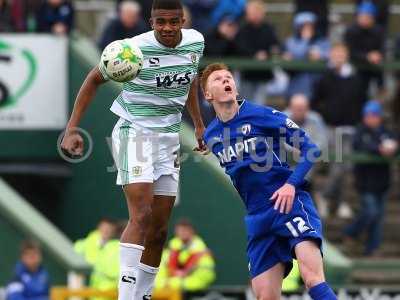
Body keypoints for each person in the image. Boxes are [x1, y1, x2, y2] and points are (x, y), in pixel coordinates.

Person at [60, 1, 206, 300]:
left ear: (183, 20)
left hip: (169, 139)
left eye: (173, 21)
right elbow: (93, 79)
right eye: (160, 21)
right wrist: (71, 128)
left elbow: (190, 78)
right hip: (135, 132)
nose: (167, 27)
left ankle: (143, 295)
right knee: (141, 214)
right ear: (150, 21)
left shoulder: (196, 41)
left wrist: (199, 123)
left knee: (159, 229)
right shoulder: (131, 50)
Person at [200, 63, 336, 300]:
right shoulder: (211, 135)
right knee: (265, 296)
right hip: (258, 216)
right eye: (218, 79)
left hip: (287, 203)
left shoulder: (261, 115)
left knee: (313, 279)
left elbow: (311, 150)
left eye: (228, 77)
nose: (225, 80)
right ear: (208, 95)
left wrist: (291, 184)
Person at [312, 43, 367, 218]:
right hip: (331, 128)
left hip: (351, 128)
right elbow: (316, 100)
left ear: (346, 56)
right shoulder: (325, 77)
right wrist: (327, 115)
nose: (338, 58)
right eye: (335, 54)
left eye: (341, 54)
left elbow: (361, 100)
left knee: (345, 167)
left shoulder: (356, 78)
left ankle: (336, 200)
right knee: (334, 165)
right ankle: (325, 198)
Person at [344, 101, 398, 256]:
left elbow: (395, 143)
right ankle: (351, 232)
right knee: (371, 212)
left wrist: (392, 148)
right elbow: (359, 144)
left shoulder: (386, 132)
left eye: (374, 115)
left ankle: (372, 248)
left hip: (382, 180)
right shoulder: (361, 132)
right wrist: (379, 149)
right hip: (365, 181)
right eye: (368, 115)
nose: (371, 119)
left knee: (378, 218)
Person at [235, 0, 280, 105]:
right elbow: (239, 48)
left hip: (263, 74)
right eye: (252, 12)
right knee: (246, 105)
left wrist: (270, 52)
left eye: (257, 12)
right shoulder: (242, 29)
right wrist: (254, 55)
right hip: (247, 74)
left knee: (260, 104)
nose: (255, 15)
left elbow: (275, 45)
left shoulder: (268, 28)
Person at [155, 219, 216, 292]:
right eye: (180, 230)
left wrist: (174, 283)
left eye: (185, 230)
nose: (183, 233)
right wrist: (164, 283)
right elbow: (159, 275)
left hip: (191, 293)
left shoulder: (203, 253)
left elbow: (203, 279)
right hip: (165, 291)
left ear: (192, 231)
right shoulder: (170, 250)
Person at [283, 12, 330, 99]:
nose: (308, 29)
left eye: (310, 26)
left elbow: (330, 55)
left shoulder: (322, 41)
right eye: (304, 26)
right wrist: (305, 40)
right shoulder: (291, 41)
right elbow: (297, 55)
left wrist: (320, 55)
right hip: (297, 84)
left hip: (319, 85)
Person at [344, 1, 385, 94]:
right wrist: (367, 56)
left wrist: (378, 55)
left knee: (380, 86)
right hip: (356, 69)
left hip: (374, 67)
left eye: (368, 17)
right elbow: (350, 51)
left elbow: (383, 48)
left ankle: (381, 88)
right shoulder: (351, 31)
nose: (364, 19)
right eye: (362, 16)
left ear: (373, 18)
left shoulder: (378, 30)